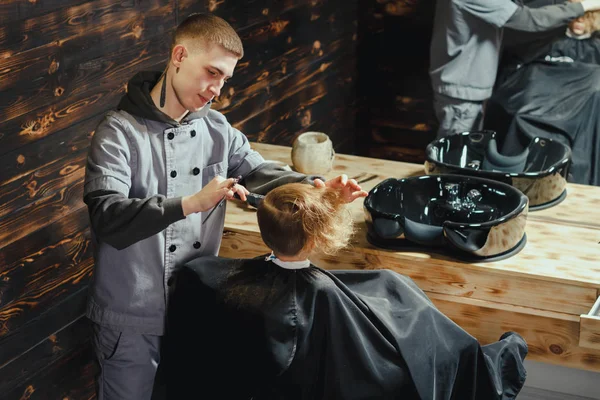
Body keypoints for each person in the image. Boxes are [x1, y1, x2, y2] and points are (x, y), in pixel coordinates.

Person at [83, 13, 368, 400]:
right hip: (132, 319)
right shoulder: (118, 133)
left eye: (225, 79)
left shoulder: (216, 128)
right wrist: (191, 203)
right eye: (211, 73)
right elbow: (108, 218)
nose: (216, 89)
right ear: (179, 56)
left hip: (195, 308)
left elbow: (258, 171)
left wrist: (315, 187)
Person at [165, 183, 529, 399]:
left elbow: (199, 275)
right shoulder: (324, 295)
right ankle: (488, 364)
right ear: (317, 237)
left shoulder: (213, 278)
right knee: (402, 298)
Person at [429, 0, 600, 138]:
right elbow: (528, 20)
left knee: (463, 151)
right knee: (455, 156)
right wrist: (585, 5)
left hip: (468, 86)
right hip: (462, 90)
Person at [485, 4, 600, 185]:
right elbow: (527, 77)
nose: (579, 20)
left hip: (579, 113)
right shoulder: (547, 44)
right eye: (577, 16)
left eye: (586, 17)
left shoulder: (596, 49)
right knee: (520, 112)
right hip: (536, 104)